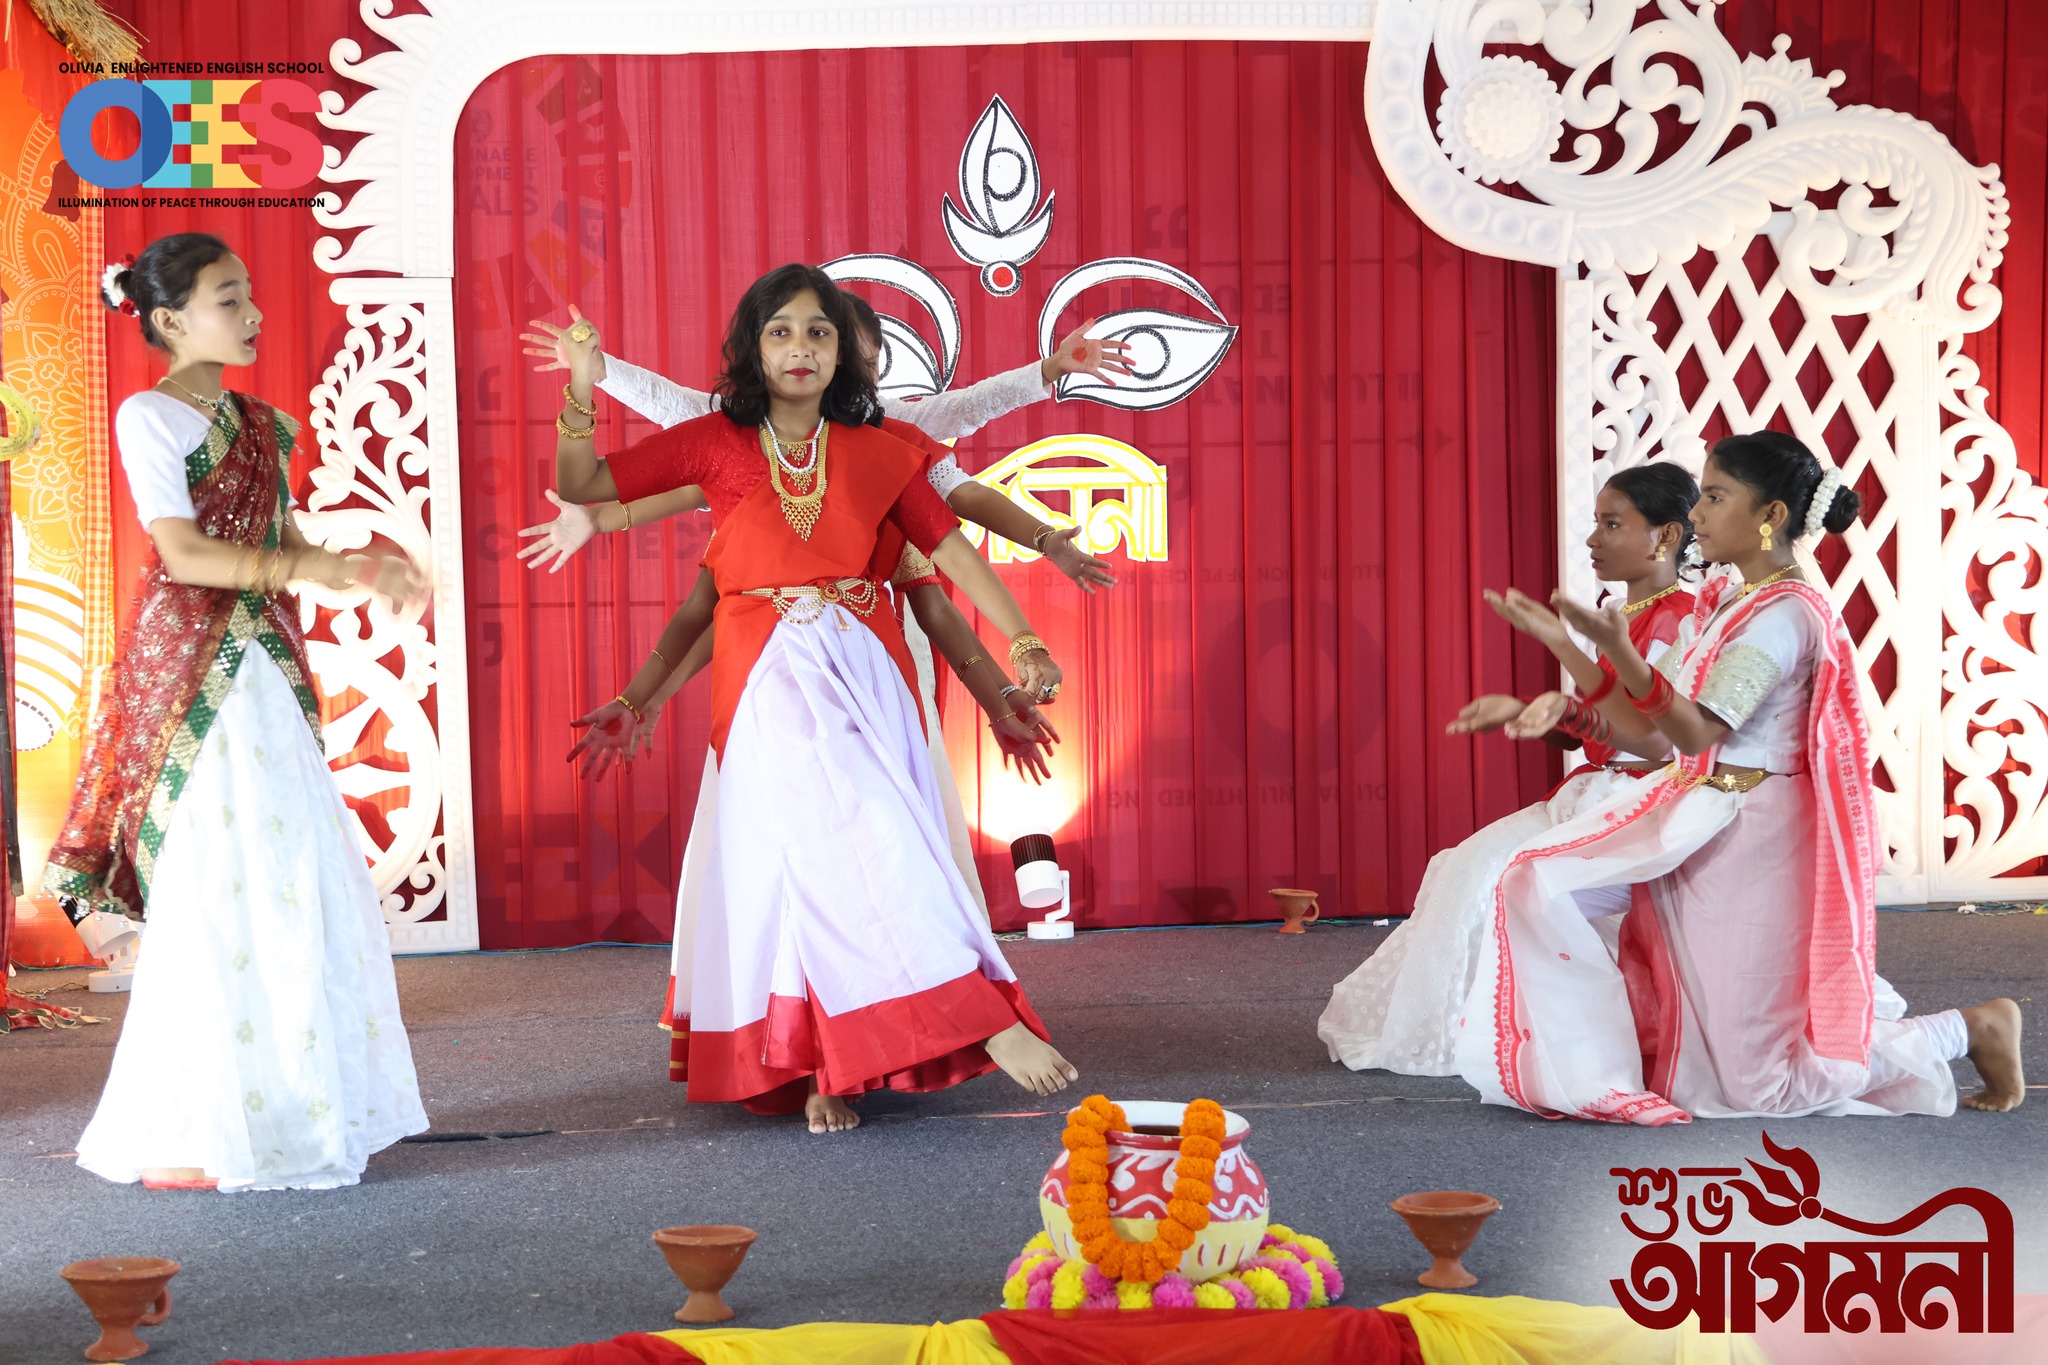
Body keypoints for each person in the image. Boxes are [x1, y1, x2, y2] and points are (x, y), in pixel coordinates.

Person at [550, 263, 1079, 1133]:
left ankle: (828, 1062)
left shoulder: (883, 451)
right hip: (766, 670)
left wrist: (1023, 639)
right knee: (851, 829)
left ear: (845, 353)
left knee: (819, 856)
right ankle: (969, 1017)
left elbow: (952, 553)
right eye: (782, 331)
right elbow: (588, 487)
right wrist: (581, 382)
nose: (801, 347)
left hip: (871, 671)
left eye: (819, 331)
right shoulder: (713, 442)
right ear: (753, 349)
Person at [1460, 432, 2024, 1122]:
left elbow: (1697, 731)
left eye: (1716, 496)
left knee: (1760, 1088)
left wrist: (1613, 652)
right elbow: (1654, 734)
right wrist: (1573, 648)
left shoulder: (1784, 617)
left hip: (1759, 837)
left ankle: (1969, 1028)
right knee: (1541, 887)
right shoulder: (1731, 603)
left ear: (1770, 515)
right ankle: (1593, 1066)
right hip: (1702, 819)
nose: (1697, 513)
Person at [45, 234, 429, 1190]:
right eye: (229, 298)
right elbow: (184, 553)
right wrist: (325, 566)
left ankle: (295, 1108)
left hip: (265, 665)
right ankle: (200, 1119)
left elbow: (279, 538)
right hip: (194, 672)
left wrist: (352, 565)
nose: (253, 312)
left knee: (292, 871)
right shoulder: (150, 415)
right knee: (220, 876)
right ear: (170, 320)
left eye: (249, 293)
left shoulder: (262, 424)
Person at [1319, 463, 1699, 1077]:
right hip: (1596, 790)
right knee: (1462, 866)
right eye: (1596, 523)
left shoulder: (1681, 619)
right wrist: (1528, 712)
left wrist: (1563, 704)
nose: (1593, 538)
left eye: (1612, 524)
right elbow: (1601, 728)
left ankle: (1515, 1033)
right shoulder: (1625, 614)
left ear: (1666, 536)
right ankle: (1462, 1029)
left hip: (1640, 799)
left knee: (1495, 876)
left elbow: (1653, 742)